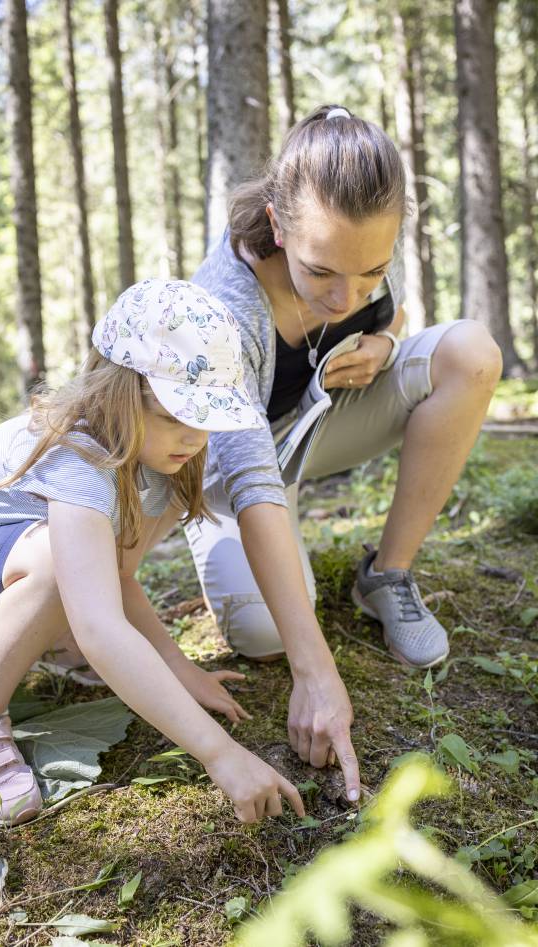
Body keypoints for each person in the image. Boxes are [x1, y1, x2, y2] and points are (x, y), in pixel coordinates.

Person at [0, 279, 306, 826]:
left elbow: (115, 578)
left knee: (75, 572)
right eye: (175, 417)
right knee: (58, 565)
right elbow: (101, 624)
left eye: (205, 420)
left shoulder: (156, 457)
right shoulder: (79, 453)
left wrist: (177, 666)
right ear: (120, 391)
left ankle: (46, 639)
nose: (193, 438)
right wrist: (222, 755)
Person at [185, 104, 503, 803]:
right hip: (234, 475)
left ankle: (386, 575)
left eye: (369, 271)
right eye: (321, 270)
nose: (343, 297)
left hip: (317, 429)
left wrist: (385, 344)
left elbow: (388, 310)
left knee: (471, 353)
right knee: (268, 633)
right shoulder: (225, 310)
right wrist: (316, 672)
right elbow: (247, 479)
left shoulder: (355, 265)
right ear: (276, 225)